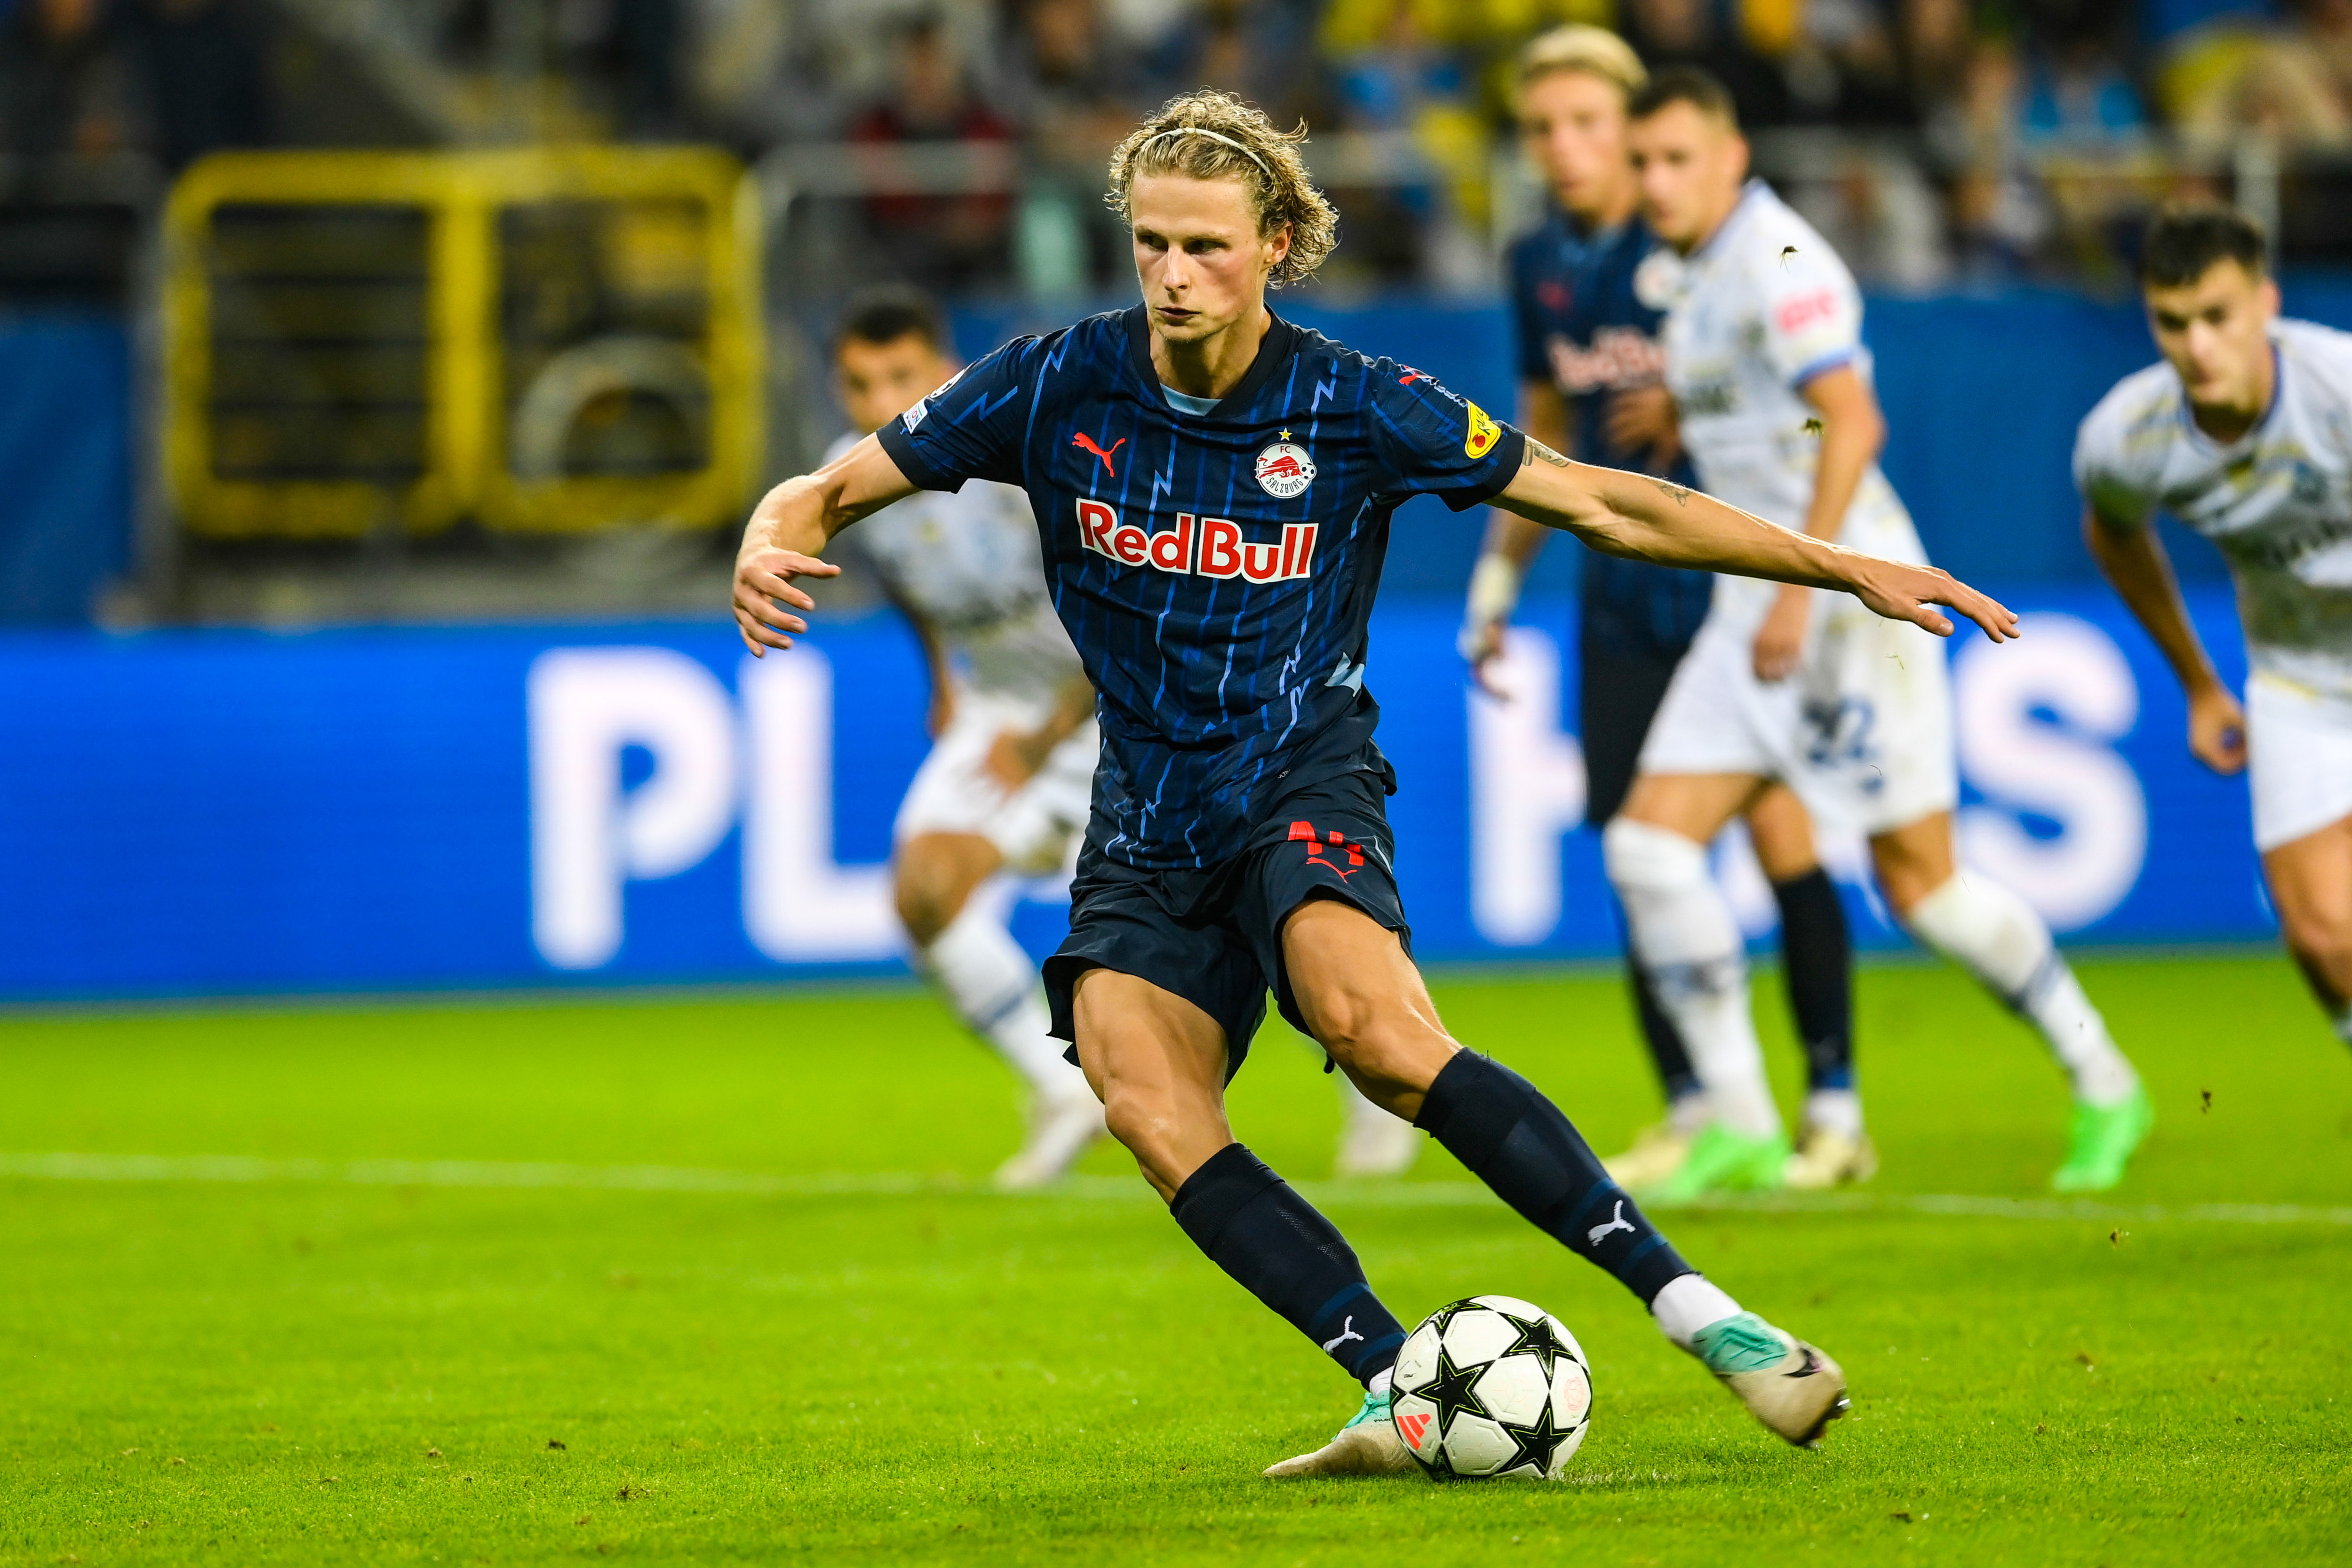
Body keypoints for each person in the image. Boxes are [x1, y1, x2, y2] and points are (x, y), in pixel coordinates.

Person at [735, 90, 2018, 1475]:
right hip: (1146, 808)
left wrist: (1845, 564)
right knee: (1146, 1105)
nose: (1173, 275)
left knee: (1378, 1031)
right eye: (1152, 243)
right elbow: (834, 485)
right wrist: (769, 525)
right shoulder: (1052, 380)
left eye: (1207, 247)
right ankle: (1397, 1382)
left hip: (1299, 766)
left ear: (1277, 243)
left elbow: (1607, 499)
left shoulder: (1355, 403)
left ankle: (1708, 1317)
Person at [1603, 68, 2150, 1204]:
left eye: (1674, 159)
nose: (1653, 181)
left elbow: (1853, 417)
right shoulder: (1696, 276)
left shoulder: (1781, 260)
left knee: (1926, 889)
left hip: (1850, 601)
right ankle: (1746, 1122)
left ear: (1730, 155)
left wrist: (1814, 589)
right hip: (1753, 597)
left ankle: (2103, 1077)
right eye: (1640, 160)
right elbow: (1764, 410)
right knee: (1647, 845)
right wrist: (1680, 415)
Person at [1460, 25, 1870, 1194]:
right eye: (1544, 129)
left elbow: (1804, 403)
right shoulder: (1536, 258)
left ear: (1642, 134)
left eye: (1590, 123)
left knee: (1781, 838)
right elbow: (1531, 436)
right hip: (1615, 591)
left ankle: (1831, 1099)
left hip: (1725, 577)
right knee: (1630, 844)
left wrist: (1692, 430)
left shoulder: (1701, 235)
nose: (1567, 148)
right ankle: (1698, 1102)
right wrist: (1496, 586)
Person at [826, 288, 1107, 1189]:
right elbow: (906, 582)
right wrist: (943, 679)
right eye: (860, 385)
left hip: (1122, 707)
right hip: (1003, 714)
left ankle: (1376, 1078)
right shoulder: (855, 471)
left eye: (900, 380)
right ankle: (1065, 1090)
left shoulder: (1021, 456)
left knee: (1247, 916)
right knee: (924, 891)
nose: (879, 405)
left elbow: (1127, 612)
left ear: (946, 372)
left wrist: (1043, 740)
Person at [2077, 203, 2352, 1060]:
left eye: (2218, 318)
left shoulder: (2338, 390)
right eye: (2173, 322)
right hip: (2300, 680)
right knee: (2322, 935)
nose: (2198, 347)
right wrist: (2199, 682)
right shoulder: (2127, 437)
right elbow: (2114, 532)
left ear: (2265, 303)